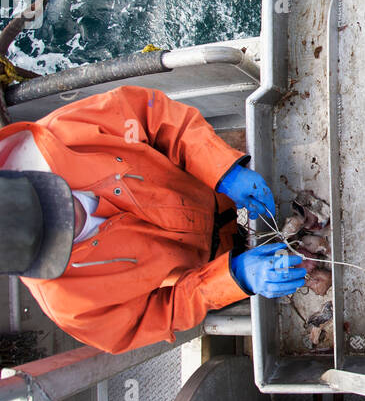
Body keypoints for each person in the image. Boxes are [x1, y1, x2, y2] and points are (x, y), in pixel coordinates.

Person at [0, 84, 305, 355]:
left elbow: (153, 115)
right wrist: (235, 276)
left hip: (208, 180)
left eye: (61, 205)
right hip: (211, 265)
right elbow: (166, 313)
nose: (77, 220)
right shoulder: (74, 310)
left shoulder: (63, 134)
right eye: (60, 237)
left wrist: (224, 170)